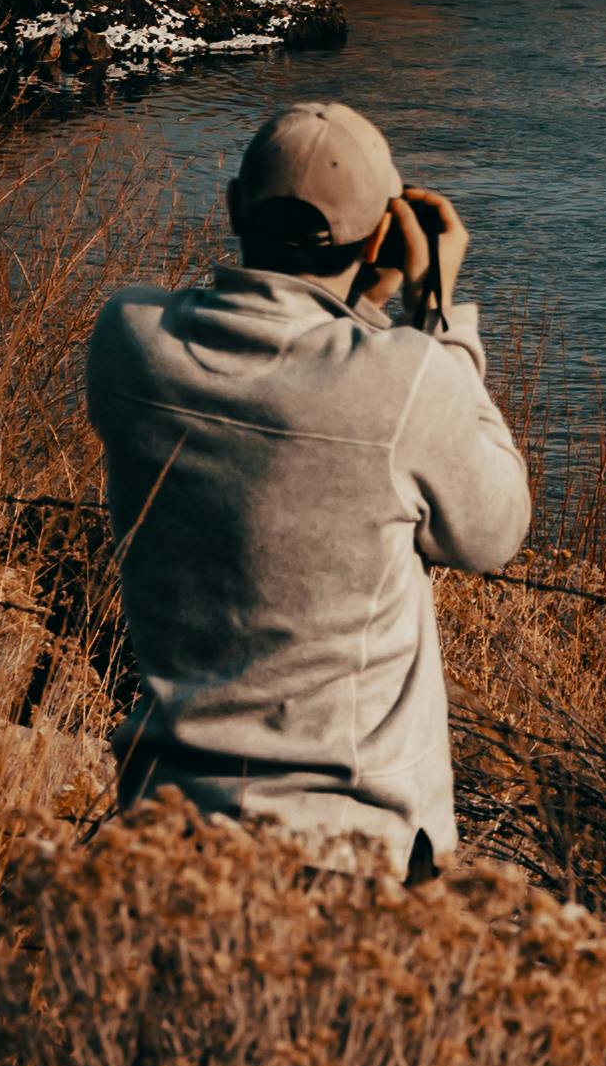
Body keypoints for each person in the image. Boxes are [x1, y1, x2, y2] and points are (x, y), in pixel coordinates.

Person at [83, 97, 532, 874]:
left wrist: (357, 304)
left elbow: (290, 368)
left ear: (231, 209)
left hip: (165, 824)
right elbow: (494, 533)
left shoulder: (129, 342)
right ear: (387, 233)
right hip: (344, 846)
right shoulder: (409, 378)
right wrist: (436, 319)